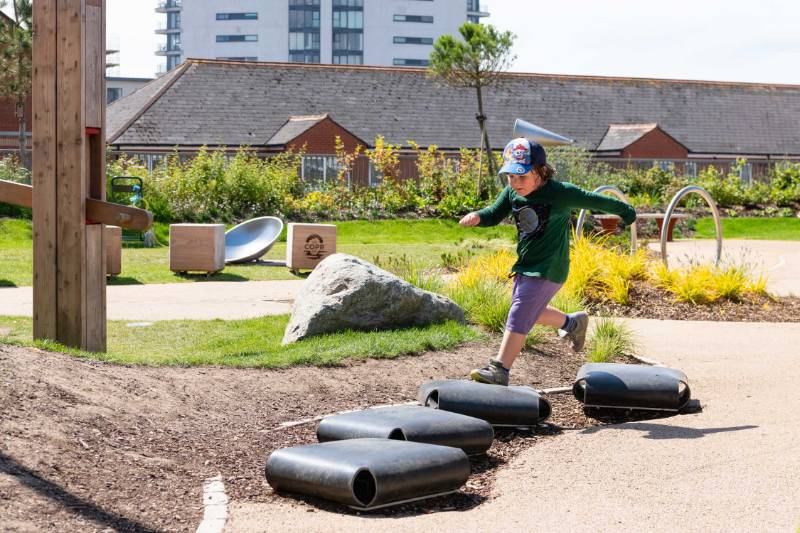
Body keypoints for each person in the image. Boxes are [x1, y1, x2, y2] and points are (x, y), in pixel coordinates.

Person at [459, 138, 636, 386]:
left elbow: (596, 201)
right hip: (527, 263)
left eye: (522, 176)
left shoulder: (559, 193)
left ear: (540, 171)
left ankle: (500, 370)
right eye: (510, 177)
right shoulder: (512, 192)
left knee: (520, 311)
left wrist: (626, 212)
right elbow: (494, 213)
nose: (515, 183)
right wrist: (478, 216)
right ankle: (572, 323)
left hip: (550, 266)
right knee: (531, 311)